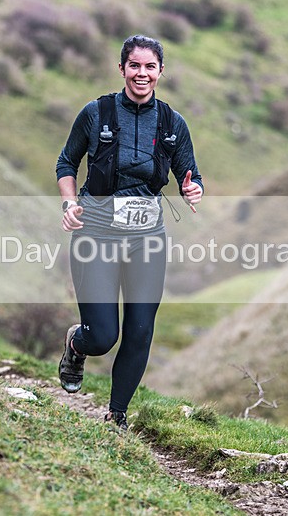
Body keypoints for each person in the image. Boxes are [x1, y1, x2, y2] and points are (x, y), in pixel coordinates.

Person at [55, 34, 203, 431]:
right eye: (134, 65)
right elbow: (66, 163)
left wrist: (193, 188)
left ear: (160, 72)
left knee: (139, 331)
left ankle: (116, 416)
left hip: (146, 238)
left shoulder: (173, 123)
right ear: (122, 69)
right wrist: (70, 204)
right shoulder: (96, 113)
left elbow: (192, 175)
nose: (142, 73)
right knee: (103, 336)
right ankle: (77, 343)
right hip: (96, 234)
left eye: (149, 66)